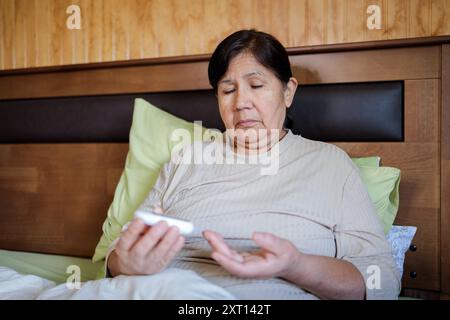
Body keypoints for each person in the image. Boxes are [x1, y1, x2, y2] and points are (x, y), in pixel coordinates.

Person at [106, 29, 400, 300]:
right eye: (228, 90)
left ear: (288, 92)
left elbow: (380, 280)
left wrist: (295, 265)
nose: (241, 102)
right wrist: (127, 262)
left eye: (256, 85)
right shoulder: (185, 159)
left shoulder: (331, 164)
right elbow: (118, 254)